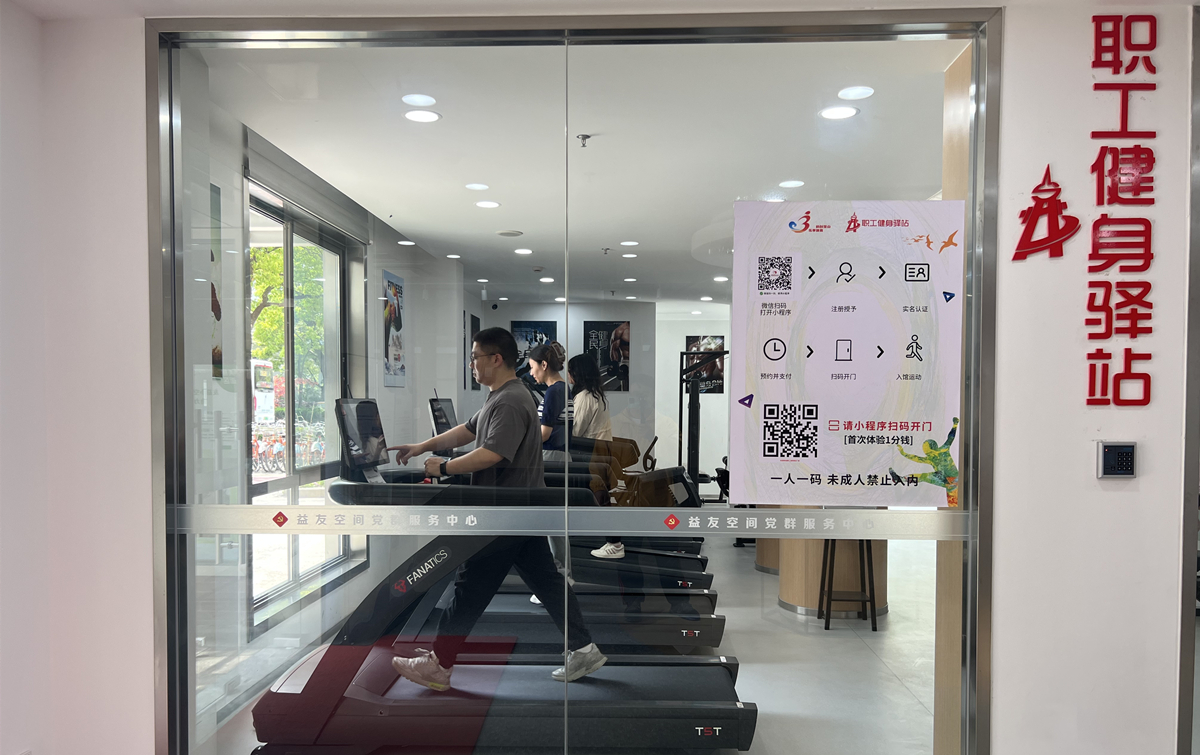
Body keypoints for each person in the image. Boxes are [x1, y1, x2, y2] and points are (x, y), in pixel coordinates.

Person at [386, 327, 606, 691]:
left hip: (505, 510)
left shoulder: (510, 400)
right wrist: (423, 446)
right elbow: (467, 430)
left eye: (475, 357)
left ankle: (440, 664)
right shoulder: (502, 396)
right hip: (517, 510)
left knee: (471, 586)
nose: (471, 364)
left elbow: (492, 453)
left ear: (496, 359)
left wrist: (444, 467)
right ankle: (584, 648)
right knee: (547, 581)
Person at [527, 342, 575, 589]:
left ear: (544, 365)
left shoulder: (554, 391)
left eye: (533, 367)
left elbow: (544, 433)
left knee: (553, 520)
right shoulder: (562, 389)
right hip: (557, 456)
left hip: (551, 456)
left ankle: (560, 577)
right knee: (553, 519)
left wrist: (519, 439)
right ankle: (561, 575)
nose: (531, 372)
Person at [567, 355, 623, 560]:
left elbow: (575, 431)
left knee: (599, 500)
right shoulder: (597, 394)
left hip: (590, 455)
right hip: (600, 453)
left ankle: (615, 543)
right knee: (601, 498)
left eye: (570, 370)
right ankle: (613, 541)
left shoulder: (584, 397)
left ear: (577, 373)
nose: (568, 375)